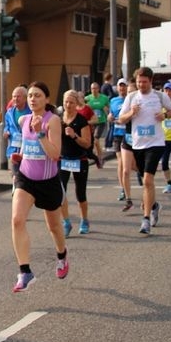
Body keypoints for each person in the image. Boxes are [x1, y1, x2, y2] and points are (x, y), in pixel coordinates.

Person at [10, 81, 67, 291]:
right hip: (26, 178)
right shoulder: (24, 119)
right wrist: (21, 156)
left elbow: (54, 154)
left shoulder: (53, 121)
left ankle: (62, 255)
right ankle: (25, 272)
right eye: (31, 95)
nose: (33, 99)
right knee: (17, 220)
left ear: (47, 99)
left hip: (48, 181)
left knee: (53, 226)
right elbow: (26, 147)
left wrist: (40, 133)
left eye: (38, 95)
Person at [116, 67, 171, 234]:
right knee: (145, 179)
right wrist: (131, 113)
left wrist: (165, 115)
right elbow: (120, 119)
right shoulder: (131, 97)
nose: (141, 85)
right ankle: (154, 205)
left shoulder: (159, 96)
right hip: (138, 144)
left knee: (148, 180)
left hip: (155, 143)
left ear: (150, 81)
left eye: (144, 82)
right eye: (138, 82)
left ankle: (146, 219)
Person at [57, 89, 92, 236]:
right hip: (62, 159)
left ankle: (84, 220)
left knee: (80, 193)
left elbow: (87, 144)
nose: (68, 105)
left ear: (76, 103)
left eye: (71, 102)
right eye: (66, 102)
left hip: (79, 160)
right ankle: (66, 222)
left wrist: (74, 135)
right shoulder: (58, 119)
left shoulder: (81, 120)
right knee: (61, 192)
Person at [109, 78, 133, 210]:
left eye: (124, 86)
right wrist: (110, 117)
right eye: (120, 86)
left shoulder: (131, 99)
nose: (122, 89)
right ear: (117, 88)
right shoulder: (113, 101)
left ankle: (139, 175)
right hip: (118, 134)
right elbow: (110, 114)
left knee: (131, 164)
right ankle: (123, 188)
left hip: (130, 134)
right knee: (121, 163)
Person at [2, 85, 31, 165]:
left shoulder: (31, 112)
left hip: (27, 151)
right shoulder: (9, 113)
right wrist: (6, 132)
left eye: (18, 96)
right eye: (14, 96)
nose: (15, 99)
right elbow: (7, 126)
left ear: (25, 98)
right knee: (15, 175)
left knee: (23, 175)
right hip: (13, 150)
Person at [84, 82, 109, 168]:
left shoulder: (104, 98)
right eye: (92, 89)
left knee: (96, 140)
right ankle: (97, 156)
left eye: (95, 88)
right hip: (91, 123)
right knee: (91, 141)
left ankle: (100, 158)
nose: (94, 90)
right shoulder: (87, 99)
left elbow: (108, 110)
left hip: (100, 122)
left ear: (98, 89)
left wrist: (106, 110)